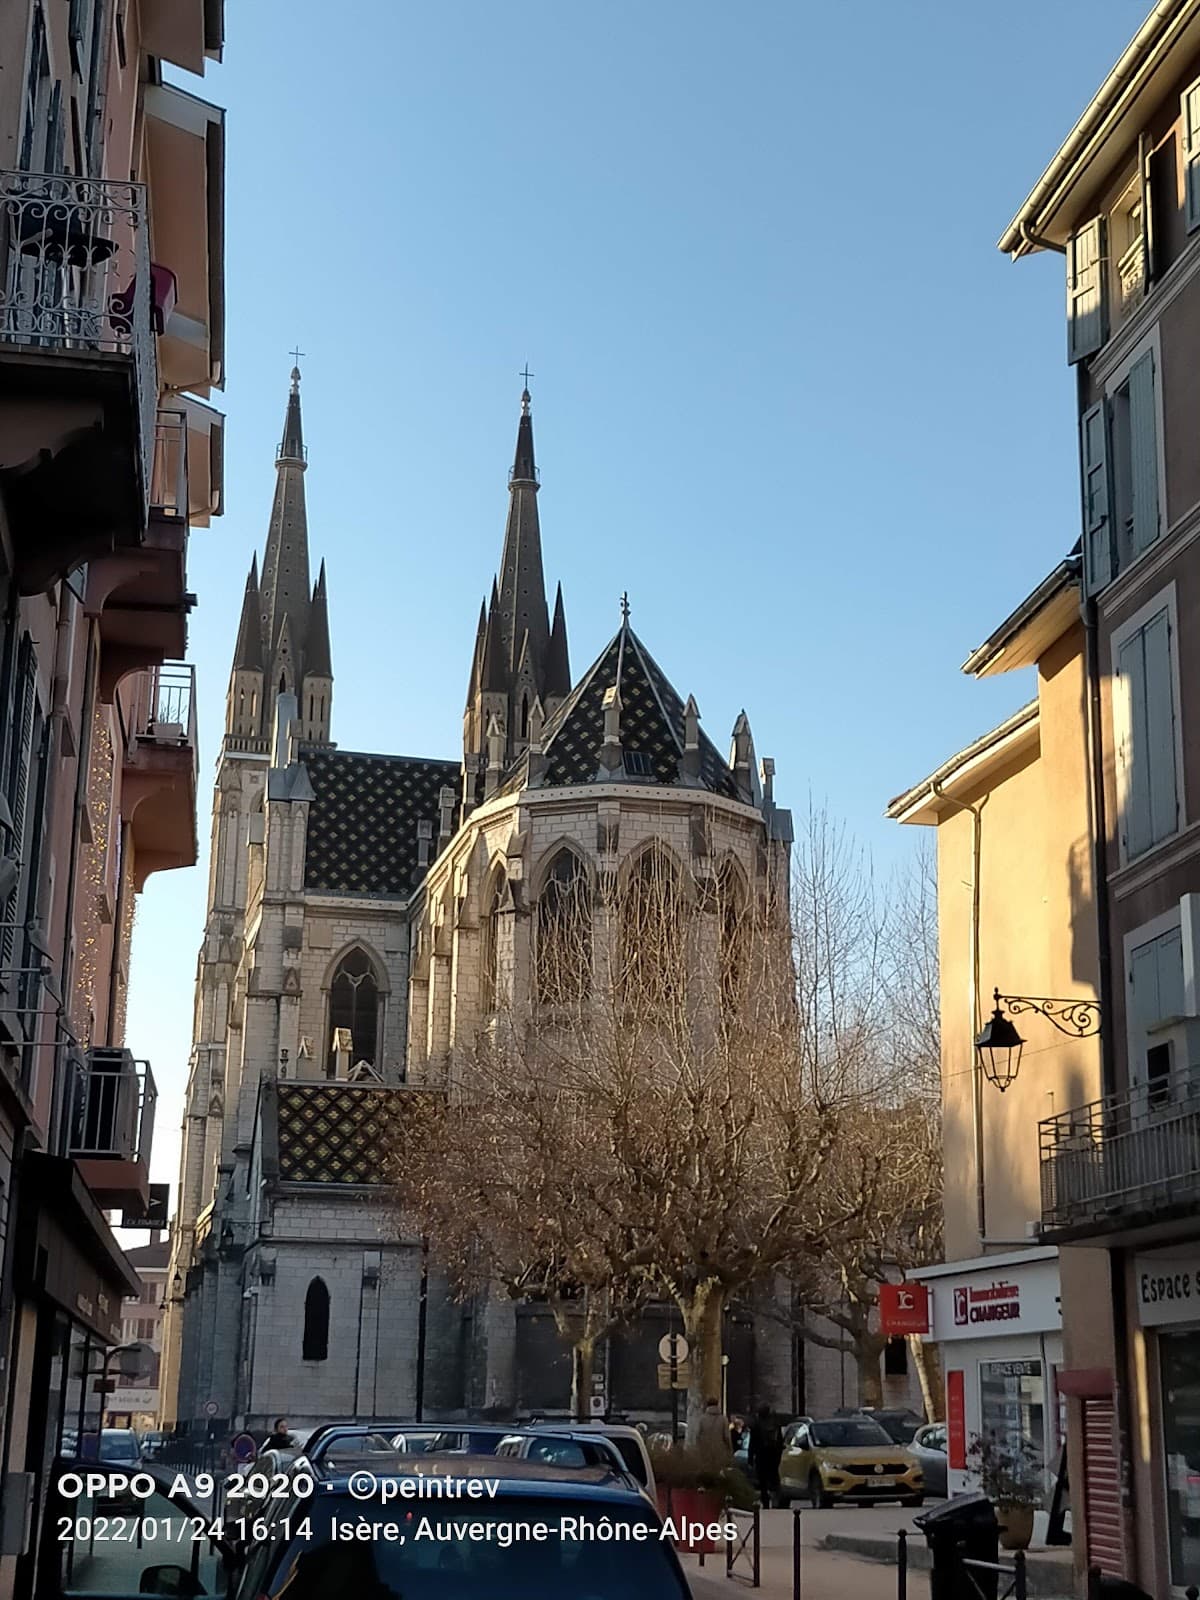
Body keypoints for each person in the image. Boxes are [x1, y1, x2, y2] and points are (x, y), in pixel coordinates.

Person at [748, 1404, 784, 1509]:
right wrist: (779, 1454)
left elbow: (752, 1442)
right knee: (774, 1478)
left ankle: (766, 1501)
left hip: (761, 1455)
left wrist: (750, 1457)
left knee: (762, 1480)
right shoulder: (775, 1423)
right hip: (773, 1455)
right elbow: (780, 1441)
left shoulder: (756, 1424)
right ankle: (776, 1500)